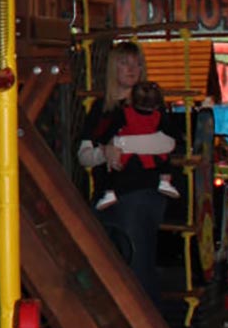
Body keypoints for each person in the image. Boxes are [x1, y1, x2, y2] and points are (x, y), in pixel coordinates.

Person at [77, 41, 181, 311]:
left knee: (138, 263)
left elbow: (169, 144)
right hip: (107, 193)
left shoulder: (150, 105)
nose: (132, 69)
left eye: (136, 63)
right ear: (114, 68)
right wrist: (104, 153)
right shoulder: (102, 108)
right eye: (125, 62)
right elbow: (84, 154)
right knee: (108, 263)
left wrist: (122, 147)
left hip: (141, 192)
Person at [89, 79, 180, 211]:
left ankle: (110, 192)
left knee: (111, 168)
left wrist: (103, 141)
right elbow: (171, 131)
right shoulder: (158, 116)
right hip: (152, 157)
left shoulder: (125, 114)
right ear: (157, 104)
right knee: (165, 159)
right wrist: (180, 137)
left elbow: (111, 130)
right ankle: (165, 180)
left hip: (127, 155)